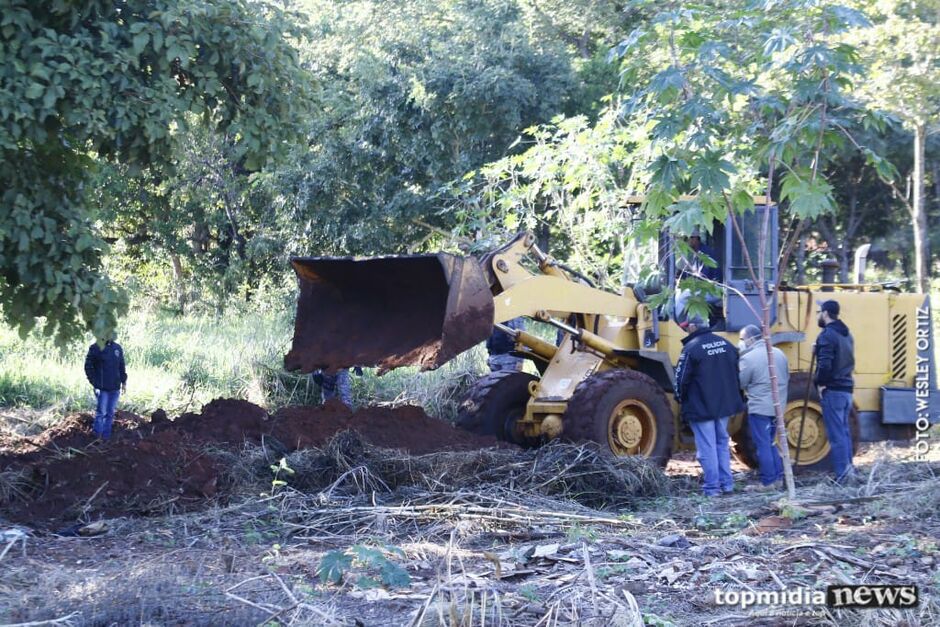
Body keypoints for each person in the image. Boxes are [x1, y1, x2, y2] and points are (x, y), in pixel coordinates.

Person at [675, 313, 745, 496]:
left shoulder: (691, 348)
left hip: (701, 406)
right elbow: (739, 372)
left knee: (707, 446)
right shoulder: (726, 345)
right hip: (724, 405)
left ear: (692, 327)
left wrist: (680, 398)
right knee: (721, 442)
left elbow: (681, 380)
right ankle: (727, 484)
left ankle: (712, 488)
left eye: (687, 326)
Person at [738, 324, 788, 491]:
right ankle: (778, 478)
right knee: (772, 443)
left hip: (760, 408)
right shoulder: (780, 354)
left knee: (763, 445)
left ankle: (767, 481)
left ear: (751, 339)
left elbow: (741, 382)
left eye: (742, 339)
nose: (742, 343)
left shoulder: (749, 358)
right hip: (778, 406)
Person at [814, 299, 857, 482]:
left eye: (818, 311)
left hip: (833, 390)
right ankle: (849, 472)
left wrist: (820, 382)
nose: (817, 315)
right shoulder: (847, 334)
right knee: (844, 433)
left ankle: (843, 478)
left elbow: (825, 364)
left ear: (825, 313)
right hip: (847, 390)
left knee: (837, 436)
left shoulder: (827, 335)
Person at [84, 335, 127, 440]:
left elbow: (121, 366)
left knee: (110, 413)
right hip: (102, 389)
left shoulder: (117, 348)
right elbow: (88, 366)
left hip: (115, 388)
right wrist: (95, 383)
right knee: (101, 413)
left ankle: (106, 437)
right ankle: (96, 436)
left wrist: (124, 382)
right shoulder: (95, 348)